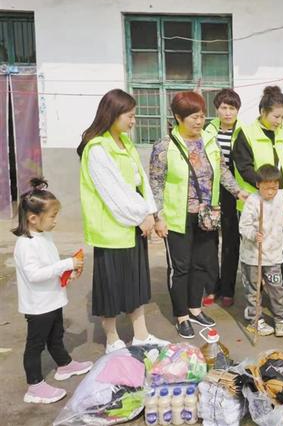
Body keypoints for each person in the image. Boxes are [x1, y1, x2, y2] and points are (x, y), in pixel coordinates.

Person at [78, 88, 169, 354]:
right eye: (129, 116)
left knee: (135, 283)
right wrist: (140, 216)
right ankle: (112, 339)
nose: (133, 121)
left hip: (133, 226)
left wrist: (150, 213)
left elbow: (141, 182)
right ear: (113, 115)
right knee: (110, 286)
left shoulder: (125, 143)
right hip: (112, 230)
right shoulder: (97, 148)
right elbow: (113, 192)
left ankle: (141, 335)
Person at [150, 91, 245, 339]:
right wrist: (159, 216)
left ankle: (195, 308)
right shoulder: (165, 146)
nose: (199, 121)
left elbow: (222, 171)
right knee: (180, 268)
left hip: (207, 214)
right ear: (178, 117)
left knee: (201, 264)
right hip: (177, 217)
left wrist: (238, 191)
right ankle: (181, 315)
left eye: (202, 116)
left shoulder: (209, 141)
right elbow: (156, 183)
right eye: (193, 117)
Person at [12, 178, 92, 404]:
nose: (55, 221)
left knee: (56, 336)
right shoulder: (26, 244)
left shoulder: (44, 236)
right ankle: (34, 386)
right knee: (35, 345)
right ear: (33, 218)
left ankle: (64, 365)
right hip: (38, 306)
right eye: (52, 216)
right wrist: (65, 264)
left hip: (53, 300)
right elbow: (34, 275)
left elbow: (50, 265)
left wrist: (66, 274)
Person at [232, 85, 283, 288]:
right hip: (254, 203)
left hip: (278, 203)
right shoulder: (246, 133)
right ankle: (255, 292)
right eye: (276, 116)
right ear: (262, 112)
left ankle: (277, 289)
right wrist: (267, 187)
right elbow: (244, 167)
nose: (279, 121)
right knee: (255, 249)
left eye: (282, 117)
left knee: (278, 248)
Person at [239, 165, 283, 337]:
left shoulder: (282, 199)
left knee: (277, 289)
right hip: (252, 257)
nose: (271, 192)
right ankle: (255, 321)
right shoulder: (252, 201)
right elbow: (244, 226)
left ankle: (280, 320)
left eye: (274, 188)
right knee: (253, 290)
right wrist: (253, 234)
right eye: (267, 188)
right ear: (258, 185)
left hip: (273, 256)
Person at [205, 88, 244, 307]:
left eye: (232, 108)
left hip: (234, 193)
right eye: (223, 108)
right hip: (211, 192)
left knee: (231, 241)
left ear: (238, 110)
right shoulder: (207, 130)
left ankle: (228, 288)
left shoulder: (244, 131)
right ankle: (212, 287)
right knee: (209, 240)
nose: (228, 112)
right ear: (216, 109)